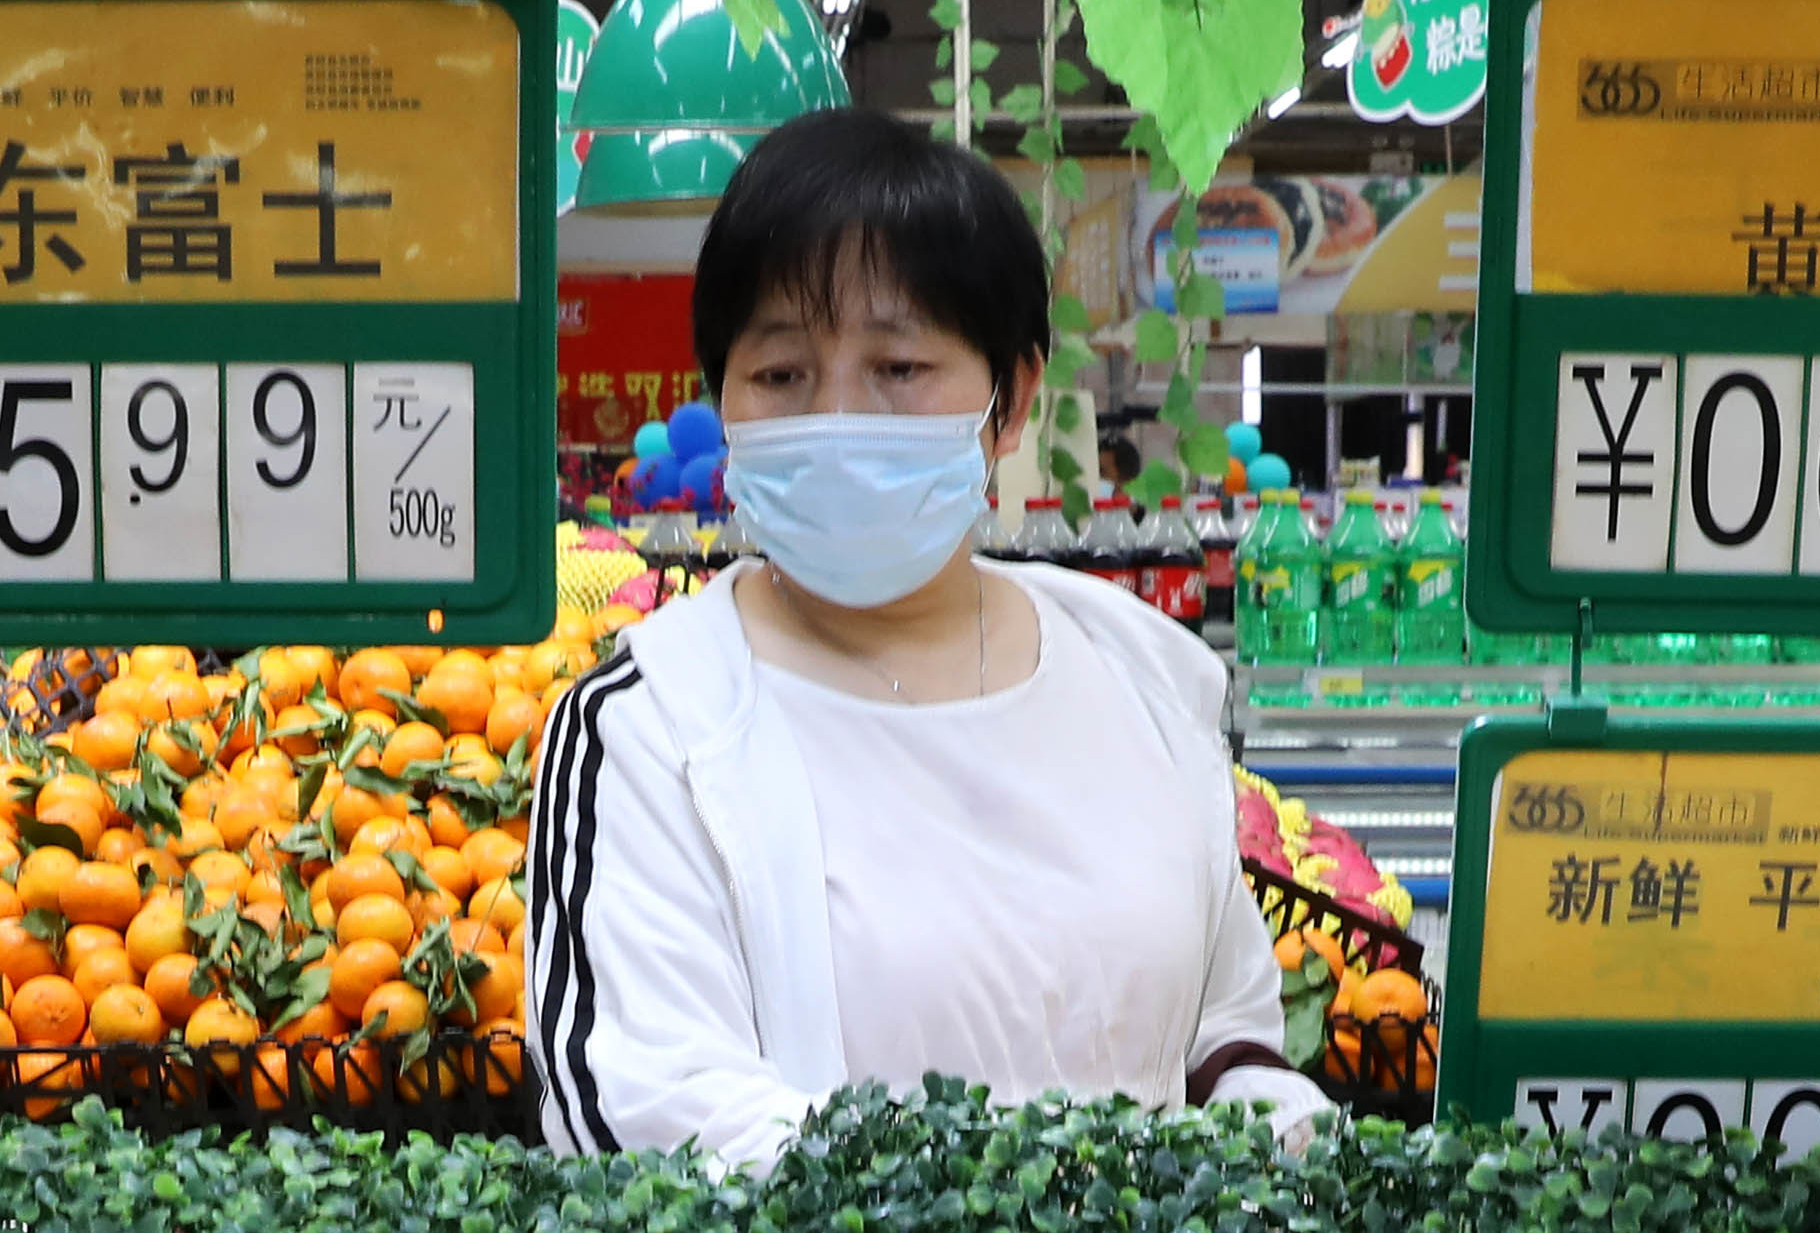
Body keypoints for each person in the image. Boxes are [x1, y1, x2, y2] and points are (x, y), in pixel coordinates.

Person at [525, 106, 1336, 1163]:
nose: (837, 415)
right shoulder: (650, 729)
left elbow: (1222, 1036)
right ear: (721, 398)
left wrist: (1294, 1144)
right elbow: (648, 1102)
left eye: (899, 369)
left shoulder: (1141, 673)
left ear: (1011, 401)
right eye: (780, 375)